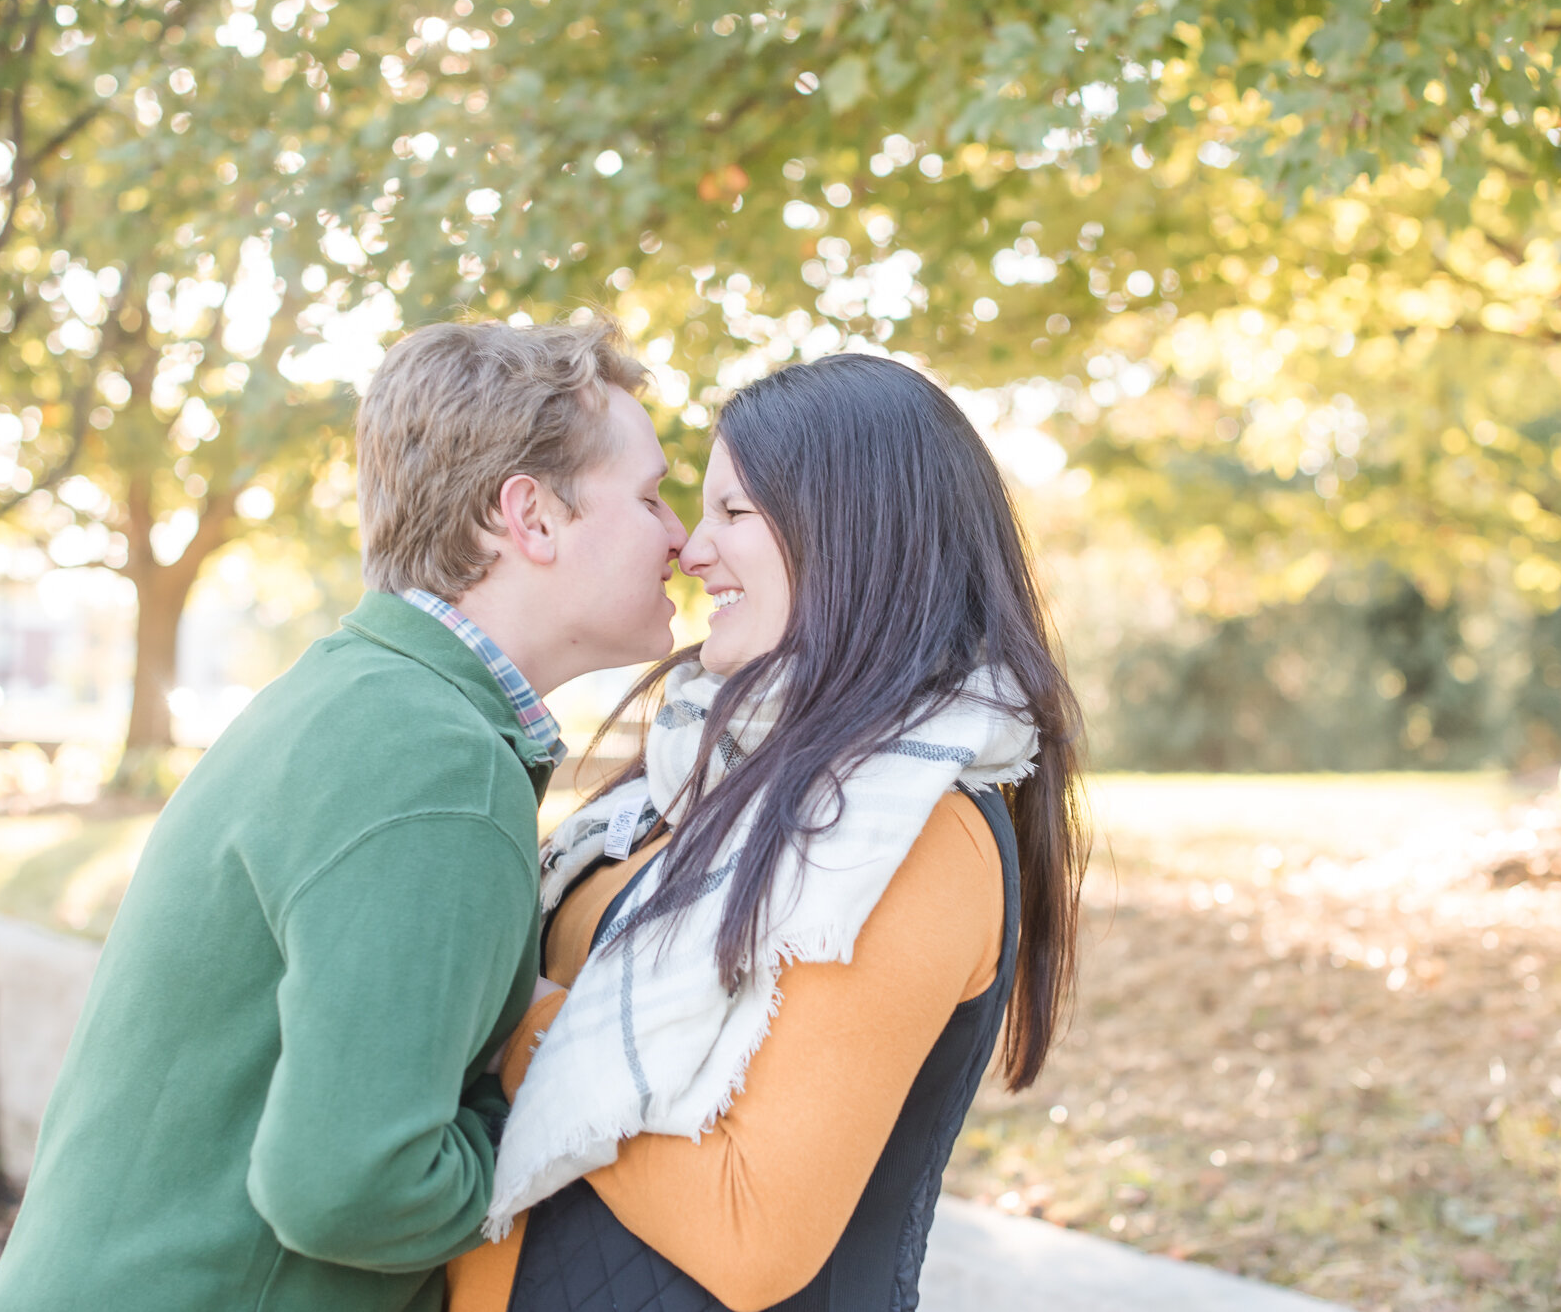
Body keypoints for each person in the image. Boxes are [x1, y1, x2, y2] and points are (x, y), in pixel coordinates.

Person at [0, 318, 686, 1312]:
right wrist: (542, 1139)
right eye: (652, 495)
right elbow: (346, 1184)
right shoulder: (432, 761)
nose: (682, 537)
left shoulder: (360, 698)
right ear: (529, 516)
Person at [448, 352, 1089, 1312]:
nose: (691, 549)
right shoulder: (701, 773)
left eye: (732, 513)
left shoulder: (908, 831)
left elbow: (752, 1231)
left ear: (859, 532)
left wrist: (515, 1015)